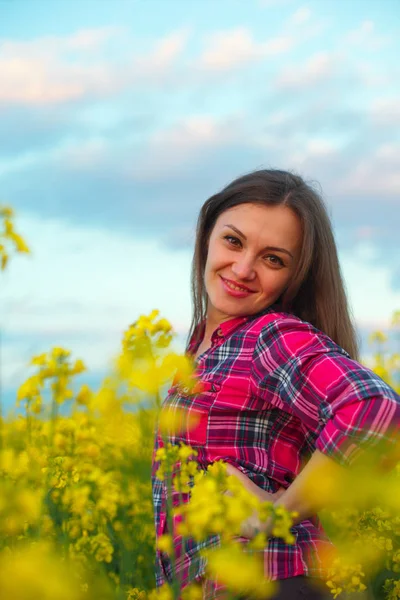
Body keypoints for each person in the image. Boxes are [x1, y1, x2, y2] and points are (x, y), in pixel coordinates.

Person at [151, 169, 400, 599]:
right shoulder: (200, 352)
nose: (243, 268)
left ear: (294, 276)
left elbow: (376, 409)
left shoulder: (269, 336)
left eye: (273, 259)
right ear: (207, 235)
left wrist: (277, 514)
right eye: (233, 240)